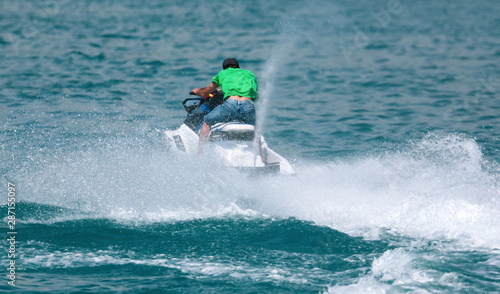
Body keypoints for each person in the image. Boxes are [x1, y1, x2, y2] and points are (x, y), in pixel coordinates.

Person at [192, 58, 259, 154]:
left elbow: (205, 93)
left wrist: (197, 91)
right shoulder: (250, 74)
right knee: (256, 126)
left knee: (206, 122)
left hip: (230, 105)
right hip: (247, 106)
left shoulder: (222, 74)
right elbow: (255, 97)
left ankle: (199, 154)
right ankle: (262, 156)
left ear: (225, 68)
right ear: (238, 67)